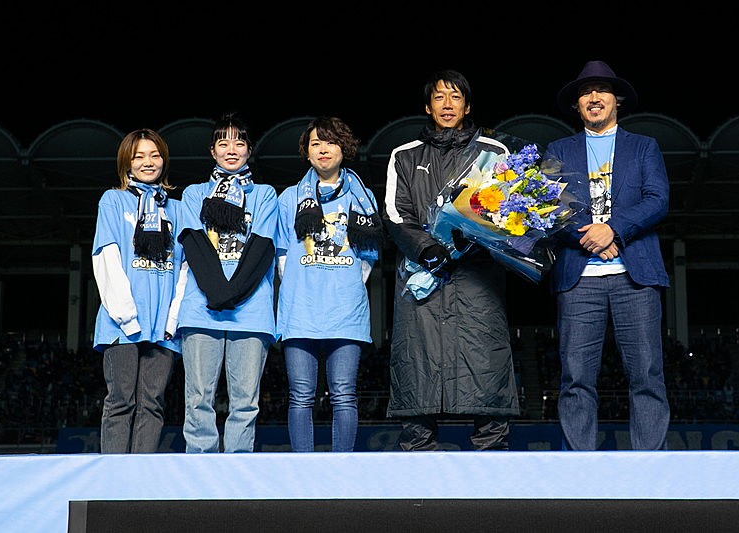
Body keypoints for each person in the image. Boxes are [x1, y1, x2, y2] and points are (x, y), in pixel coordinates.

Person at [383, 69, 520, 451]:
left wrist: (470, 240)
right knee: (417, 366)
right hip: (421, 280)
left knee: (485, 365)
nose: (447, 104)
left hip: (477, 281)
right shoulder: (404, 155)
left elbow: (508, 212)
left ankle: (492, 460)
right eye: (439, 97)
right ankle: (418, 456)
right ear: (428, 107)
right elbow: (395, 213)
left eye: (455, 97)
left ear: (468, 106)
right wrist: (428, 248)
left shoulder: (494, 153)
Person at [544, 60, 671, 450]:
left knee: (647, 375)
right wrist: (591, 237)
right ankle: (579, 467)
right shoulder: (558, 150)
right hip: (580, 279)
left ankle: (650, 464)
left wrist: (613, 229)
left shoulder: (644, 146)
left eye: (601, 90)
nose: (594, 97)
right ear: (577, 105)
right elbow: (546, 208)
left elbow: (658, 200)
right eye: (585, 92)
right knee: (576, 378)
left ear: (617, 100)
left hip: (636, 278)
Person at [275, 116, 382, 452]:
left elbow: (368, 258)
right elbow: (281, 255)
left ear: (343, 148)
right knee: (300, 396)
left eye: (331, 142)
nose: (323, 149)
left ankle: (343, 470)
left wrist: (342, 283)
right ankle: (303, 469)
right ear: (306, 152)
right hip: (301, 310)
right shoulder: (289, 198)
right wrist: (304, 283)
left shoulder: (363, 197)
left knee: (344, 394)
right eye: (315, 143)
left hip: (345, 310)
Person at [176, 112, 278, 453]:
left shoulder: (264, 195)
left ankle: (237, 469)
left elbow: (262, 248)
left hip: (250, 310)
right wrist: (218, 292)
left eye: (239, 142)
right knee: (198, 400)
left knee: (245, 403)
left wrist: (231, 294)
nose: (231, 149)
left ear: (250, 149)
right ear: (212, 151)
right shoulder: (194, 194)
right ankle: (199, 469)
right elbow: (194, 244)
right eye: (223, 143)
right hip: (201, 308)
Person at [91, 128, 182, 454]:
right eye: (139, 156)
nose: (148, 162)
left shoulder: (177, 209)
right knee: (121, 401)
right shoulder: (113, 200)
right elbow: (106, 258)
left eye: (155, 155)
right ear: (127, 163)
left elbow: (185, 268)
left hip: (162, 328)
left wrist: (172, 320)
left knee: (152, 403)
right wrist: (127, 317)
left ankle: (141, 477)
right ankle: (114, 478)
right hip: (121, 325)